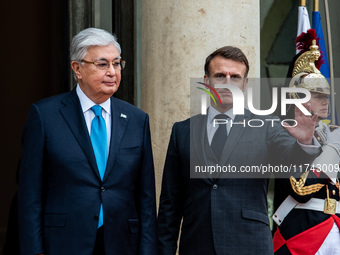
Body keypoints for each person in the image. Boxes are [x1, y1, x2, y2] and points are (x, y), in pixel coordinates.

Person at [157, 46, 320, 255]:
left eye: (235, 77)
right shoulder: (182, 131)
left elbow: (293, 166)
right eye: (220, 75)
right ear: (206, 82)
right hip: (197, 245)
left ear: (244, 84)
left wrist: (305, 144)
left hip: (250, 246)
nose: (227, 83)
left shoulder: (268, 126)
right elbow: (170, 205)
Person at [17, 28, 157, 255]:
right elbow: (30, 193)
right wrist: (34, 250)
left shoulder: (136, 119)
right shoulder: (45, 115)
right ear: (77, 68)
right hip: (64, 243)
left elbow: (146, 197)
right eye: (102, 64)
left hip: (122, 243)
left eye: (117, 63)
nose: (112, 72)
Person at [272, 35, 340, 255]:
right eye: (317, 95)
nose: (324, 101)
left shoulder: (330, 134)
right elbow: (301, 190)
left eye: (326, 96)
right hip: (300, 238)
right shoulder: (281, 135)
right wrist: (331, 148)